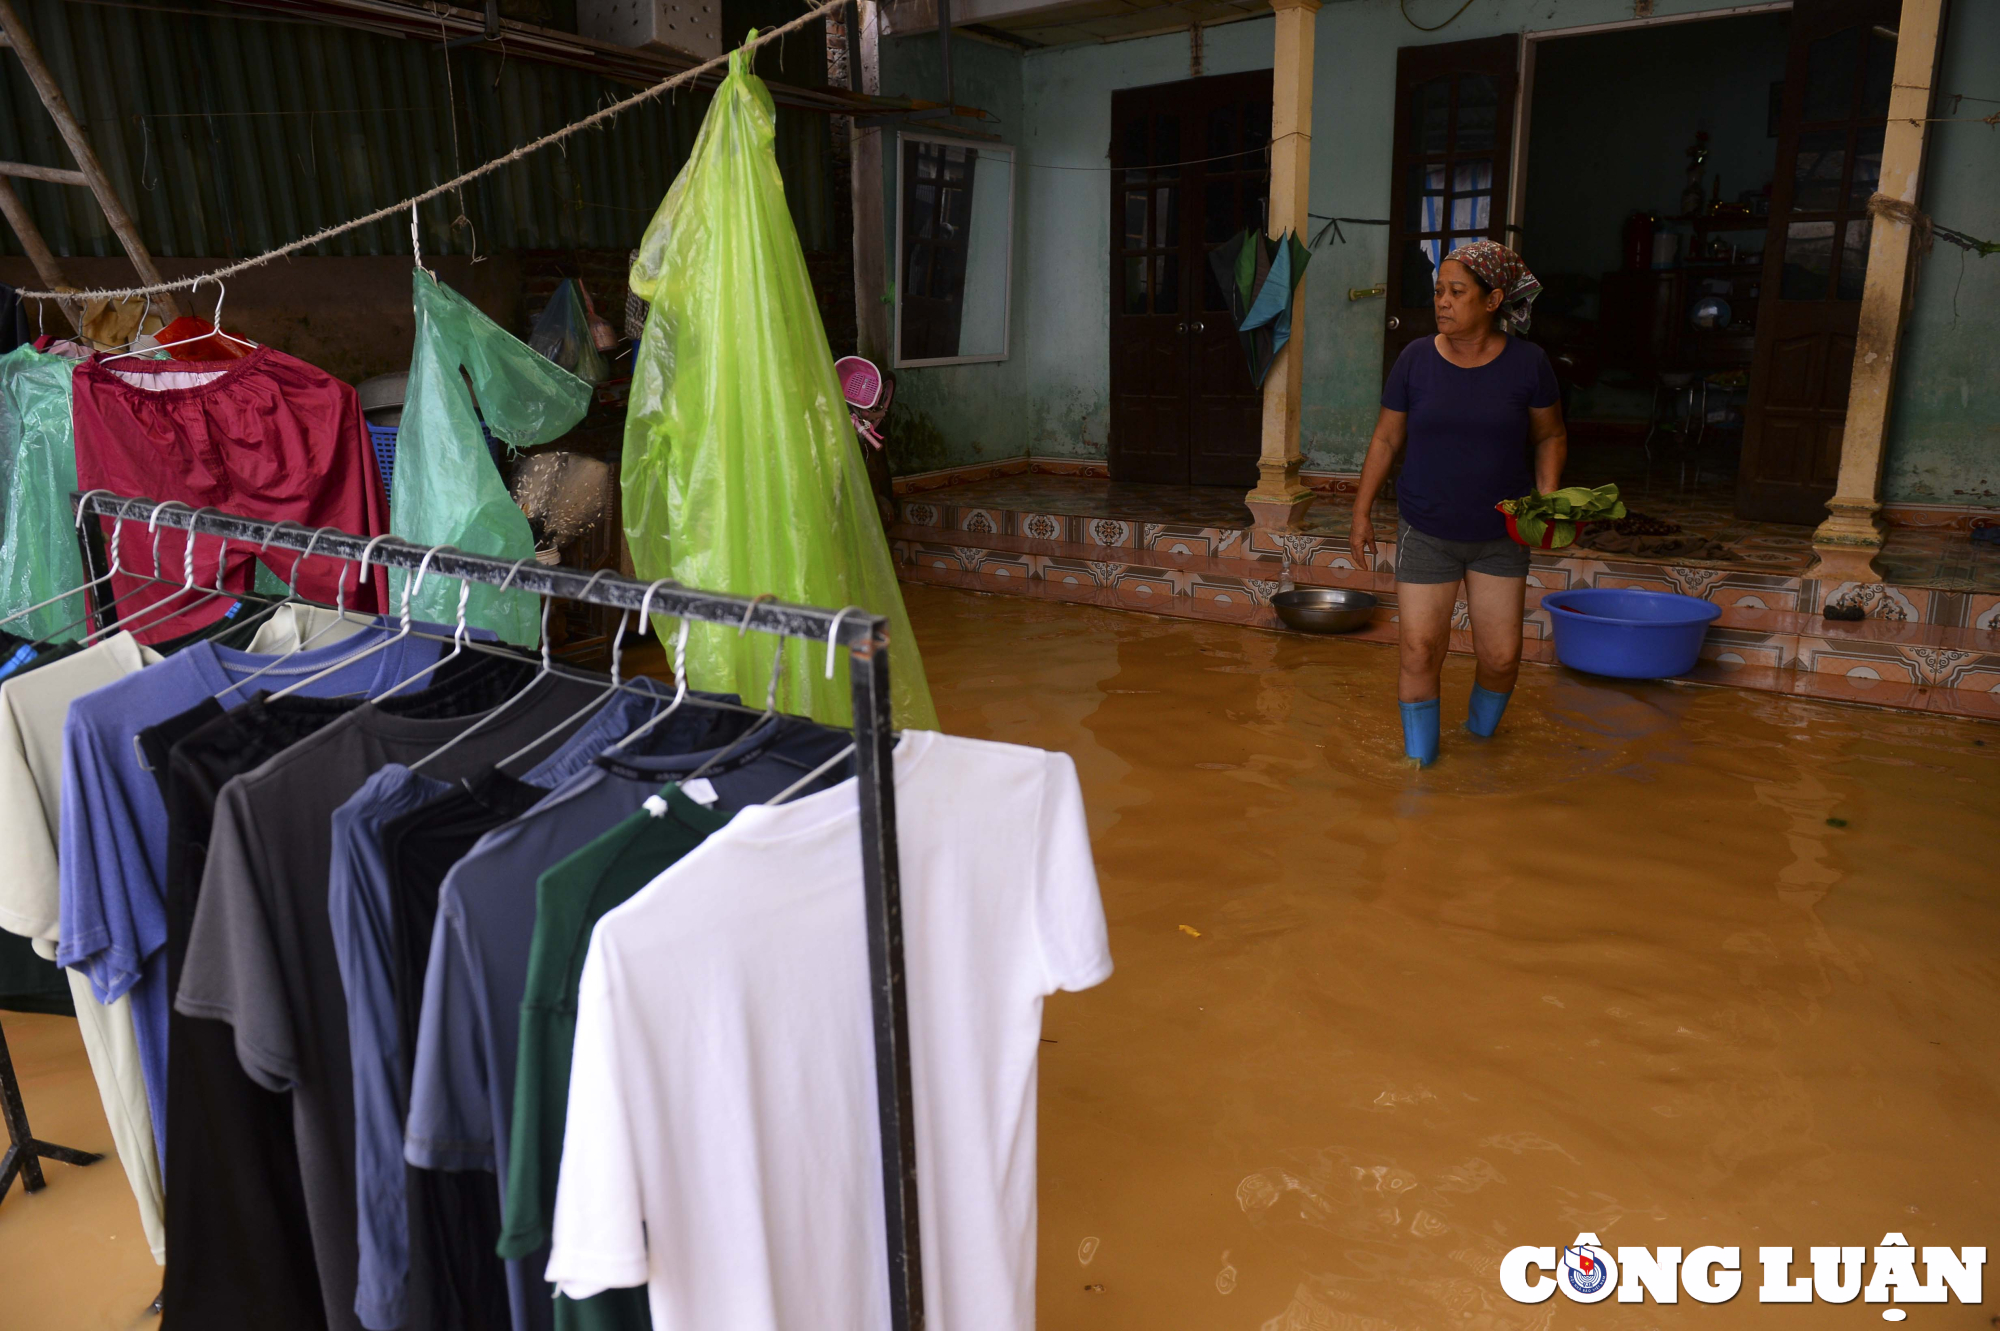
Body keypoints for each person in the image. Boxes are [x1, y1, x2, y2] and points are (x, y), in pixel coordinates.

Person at [1350, 241, 1567, 767]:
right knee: (1421, 649)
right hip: (1425, 529)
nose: (1442, 302)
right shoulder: (1415, 359)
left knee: (1501, 658)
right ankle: (1421, 769)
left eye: (1456, 292)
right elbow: (1385, 440)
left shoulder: (1528, 364)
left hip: (1500, 537)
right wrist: (1360, 512)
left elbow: (1549, 435)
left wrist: (1548, 499)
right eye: (1438, 291)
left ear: (1493, 301)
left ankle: (1479, 744)